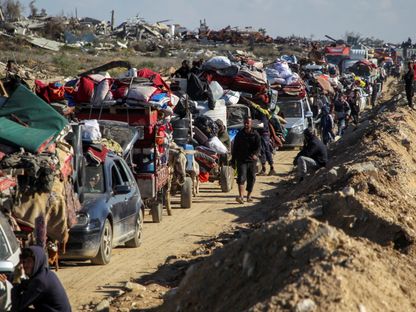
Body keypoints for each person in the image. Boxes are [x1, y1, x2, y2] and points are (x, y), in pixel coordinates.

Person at [10, 246, 71, 312]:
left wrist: (16, 280)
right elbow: (26, 284)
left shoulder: (40, 281)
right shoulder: (45, 273)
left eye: (29, 261)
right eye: (24, 262)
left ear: (37, 262)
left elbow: (16, 307)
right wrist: (10, 278)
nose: (26, 265)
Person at [232, 117, 261, 204]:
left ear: (251, 123)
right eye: (245, 123)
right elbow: (235, 148)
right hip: (241, 160)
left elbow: (259, 147)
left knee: (251, 178)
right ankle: (241, 196)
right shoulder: (239, 135)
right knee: (241, 178)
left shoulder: (255, 134)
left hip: (252, 160)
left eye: (248, 123)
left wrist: (256, 155)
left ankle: (249, 196)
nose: (246, 124)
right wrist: (233, 160)